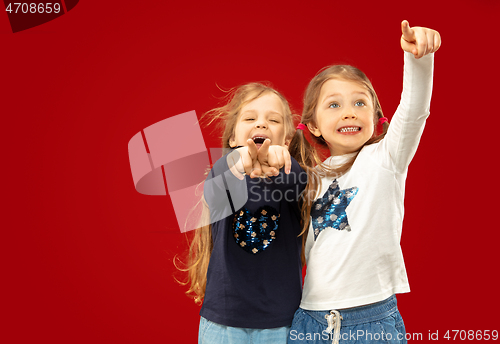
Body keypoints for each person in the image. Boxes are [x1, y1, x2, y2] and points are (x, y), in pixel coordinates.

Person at [287, 21, 441, 343]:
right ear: (313, 125)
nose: (349, 113)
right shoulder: (307, 178)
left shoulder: (386, 159)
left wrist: (418, 59)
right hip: (310, 319)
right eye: (334, 105)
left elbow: (414, 112)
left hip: (371, 320)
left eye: (360, 103)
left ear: (376, 118)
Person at [181, 82, 308, 343]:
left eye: (272, 120)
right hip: (223, 322)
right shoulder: (223, 174)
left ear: (286, 139)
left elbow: (298, 183)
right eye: (250, 118)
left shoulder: (292, 178)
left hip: (281, 323)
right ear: (233, 139)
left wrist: (282, 161)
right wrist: (236, 163)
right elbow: (215, 191)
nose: (261, 124)